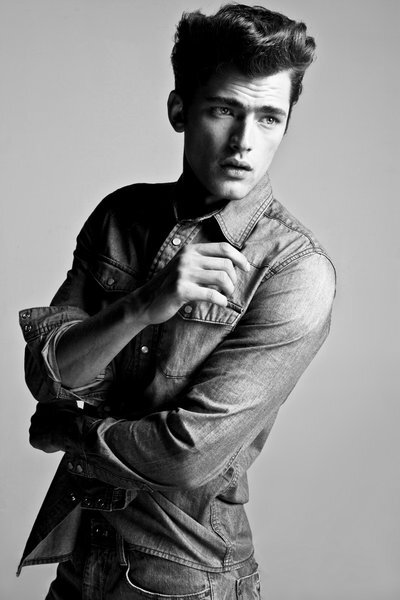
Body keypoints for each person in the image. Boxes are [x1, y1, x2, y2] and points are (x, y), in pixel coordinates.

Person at [18, 4, 336, 598]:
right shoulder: (120, 215)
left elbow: (186, 456)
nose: (244, 142)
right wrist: (142, 305)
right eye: (224, 110)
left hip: (184, 577)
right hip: (81, 557)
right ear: (179, 110)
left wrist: (71, 431)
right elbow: (50, 372)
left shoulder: (295, 272)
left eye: (269, 118)